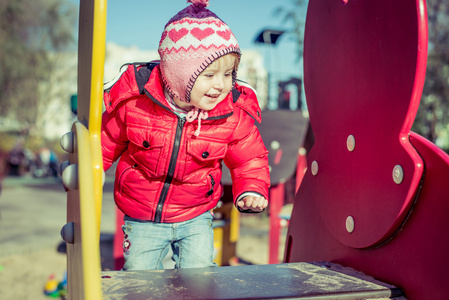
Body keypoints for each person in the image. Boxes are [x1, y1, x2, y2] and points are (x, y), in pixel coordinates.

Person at [101, 0, 270, 270]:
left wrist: (251, 188)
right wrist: (90, 170)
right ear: (179, 75)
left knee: (198, 276)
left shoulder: (230, 114)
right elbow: (106, 141)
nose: (221, 85)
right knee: (140, 279)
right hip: (143, 214)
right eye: (210, 75)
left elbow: (249, 159)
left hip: (196, 215)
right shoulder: (137, 105)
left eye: (228, 74)